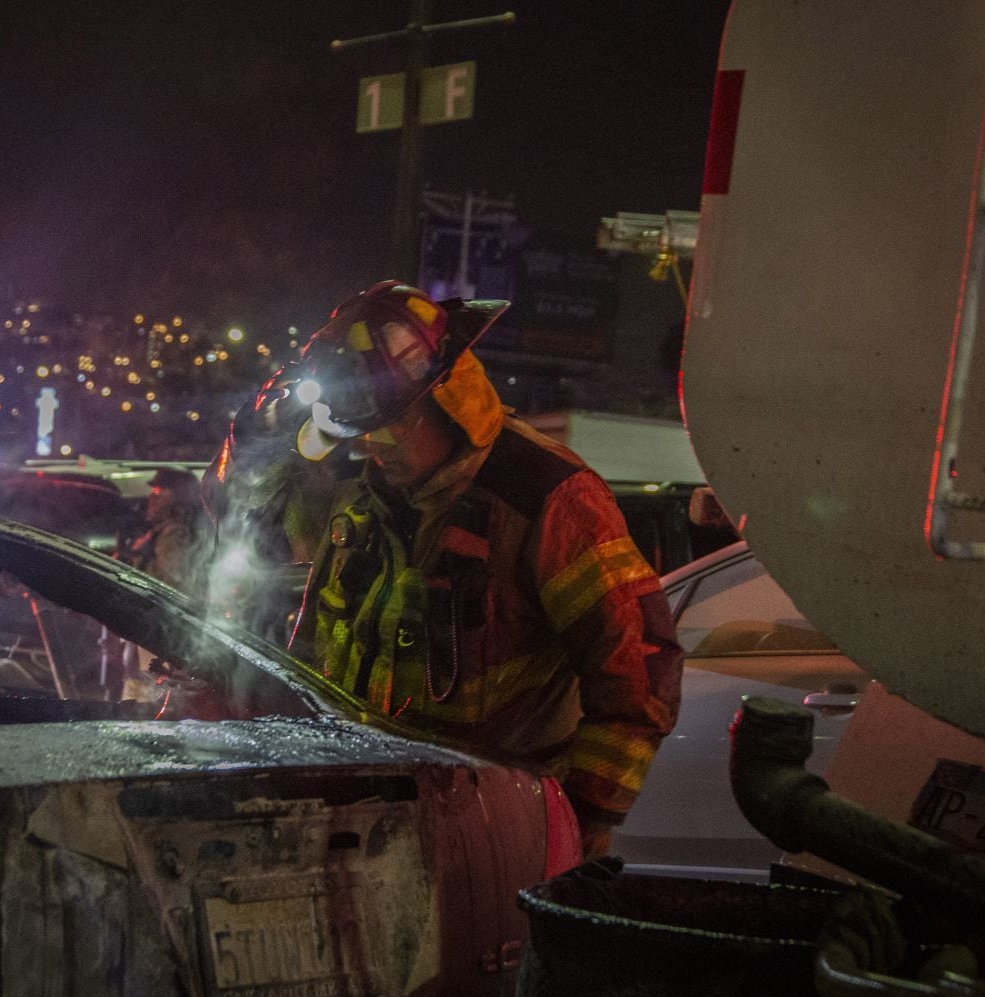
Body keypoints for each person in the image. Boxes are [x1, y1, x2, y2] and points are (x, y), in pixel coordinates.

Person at [206, 281, 682, 857]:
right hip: (363, 826)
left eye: (389, 426)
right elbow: (235, 504)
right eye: (357, 432)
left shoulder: (547, 499)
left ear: (447, 398)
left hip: (501, 833)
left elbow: (637, 672)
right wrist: (268, 431)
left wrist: (581, 825)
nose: (369, 447)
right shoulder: (361, 493)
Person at [120, 467, 210, 596]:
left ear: (178, 498)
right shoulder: (168, 531)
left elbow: (169, 586)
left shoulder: (175, 534)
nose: (151, 498)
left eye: (158, 492)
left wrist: (139, 560)